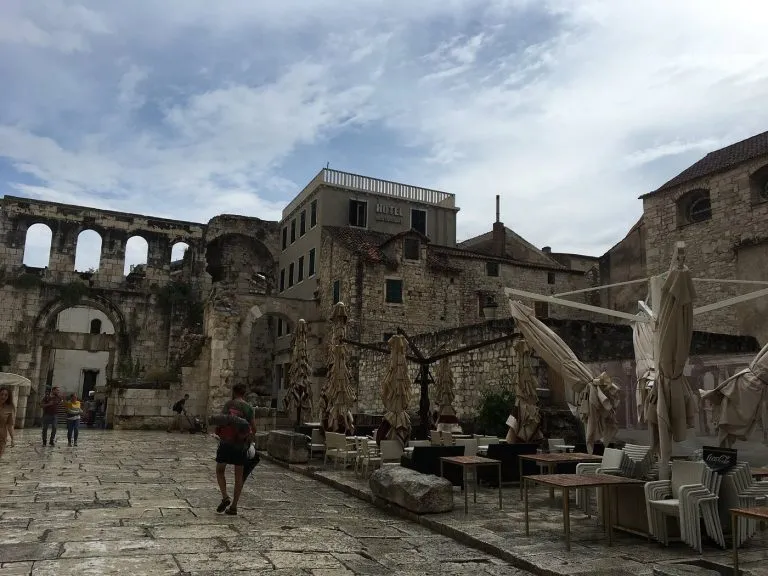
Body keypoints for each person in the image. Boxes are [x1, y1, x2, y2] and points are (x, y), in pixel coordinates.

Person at [214, 384, 256, 516]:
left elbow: (221, 422)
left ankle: (225, 496)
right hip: (241, 445)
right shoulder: (249, 408)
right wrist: (250, 442)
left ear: (234, 392)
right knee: (239, 476)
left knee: (220, 470)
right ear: (244, 393)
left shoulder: (229, 405)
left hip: (226, 442)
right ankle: (234, 507)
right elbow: (254, 428)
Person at [0, 386, 15, 459]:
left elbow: (10, 425)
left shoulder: (9, 408)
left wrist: (12, 439)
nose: (3, 396)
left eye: (6, 395)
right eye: (2, 394)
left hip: (2, 437)